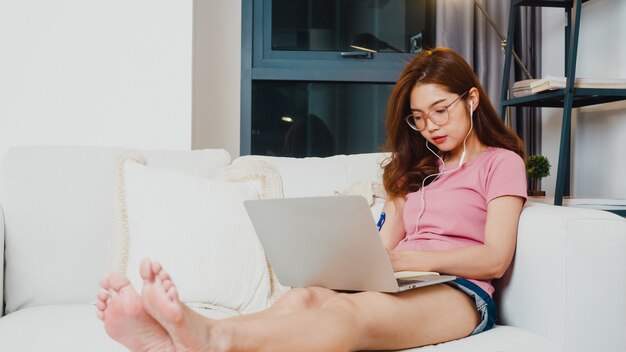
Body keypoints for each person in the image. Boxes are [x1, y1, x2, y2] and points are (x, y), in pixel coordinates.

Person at [96, 47, 527, 351]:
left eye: (441, 110)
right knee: (303, 297)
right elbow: (383, 251)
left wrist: (409, 261)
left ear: (471, 99)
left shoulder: (500, 163)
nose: (431, 126)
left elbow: (494, 259)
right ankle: (179, 338)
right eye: (418, 118)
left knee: (347, 318)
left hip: (461, 293)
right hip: (406, 281)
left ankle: (212, 340)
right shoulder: (413, 171)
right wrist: (345, 261)